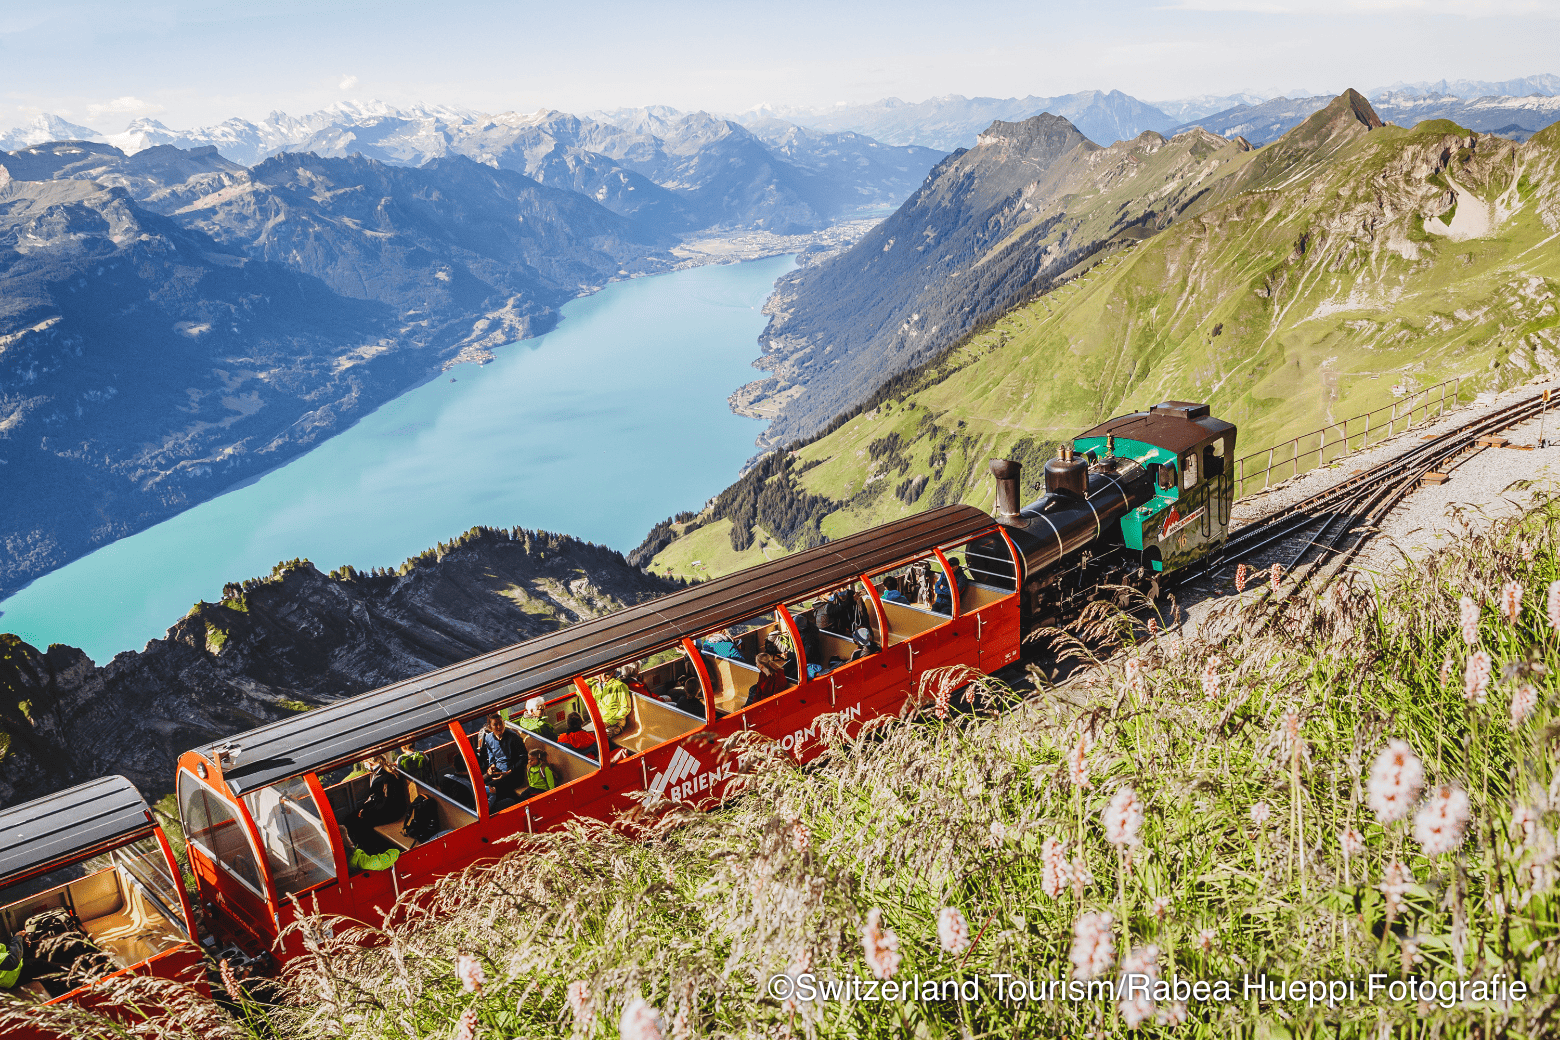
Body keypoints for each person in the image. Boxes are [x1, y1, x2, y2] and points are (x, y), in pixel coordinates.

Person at [347, 754, 407, 852]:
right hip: (383, 807)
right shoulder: (378, 773)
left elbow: (387, 801)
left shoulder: (386, 776)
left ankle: (369, 849)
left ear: (369, 762)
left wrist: (367, 811)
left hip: (391, 811)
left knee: (360, 823)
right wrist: (365, 809)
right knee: (351, 818)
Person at [474, 713, 527, 812]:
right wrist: (492, 765)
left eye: (501, 723)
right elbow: (491, 755)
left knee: (490, 788)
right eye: (495, 724)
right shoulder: (489, 738)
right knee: (479, 785)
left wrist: (508, 772)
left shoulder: (513, 737)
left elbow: (524, 758)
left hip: (514, 773)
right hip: (499, 771)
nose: (499, 727)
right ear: (490, 727)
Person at [591, 670, 633, 738]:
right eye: (602, 673)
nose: (604, 676)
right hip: (599, 722)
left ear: (614, 673)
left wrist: (609, 722)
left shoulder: (620, 686)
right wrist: (593, 677)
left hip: (615, 724)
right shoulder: (595, 687)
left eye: (607, 673)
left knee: (601, 737)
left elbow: (626, 708)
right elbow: (578, 692)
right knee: (584, 736)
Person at [748, 638, 790, 705]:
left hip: (770, 704)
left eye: (757, 663)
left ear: (761, 665)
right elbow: (758, 691)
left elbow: (776, 697)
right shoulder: (762, 673)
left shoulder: (778, 676)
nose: (757, 665)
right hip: (762, 702)